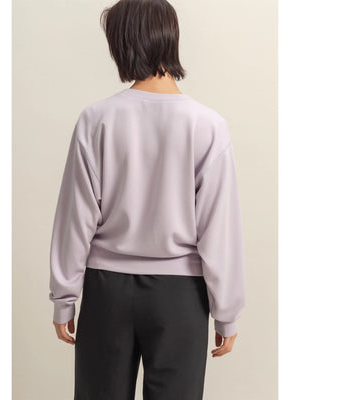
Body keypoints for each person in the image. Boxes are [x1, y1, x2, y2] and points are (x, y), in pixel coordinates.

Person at [49, 0, 246, 399]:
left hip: (106, 290)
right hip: (181, 297)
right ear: (170, 39)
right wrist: (226, 312)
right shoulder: (208, 125)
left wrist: (64, 298)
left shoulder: (97, 119)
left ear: (121, 45)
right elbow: (218, 227)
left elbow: (76, 217)